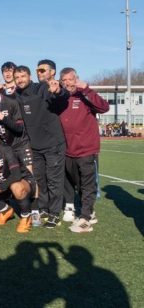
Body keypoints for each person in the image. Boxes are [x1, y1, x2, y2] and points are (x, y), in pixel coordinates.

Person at [14, 65, 67, 228]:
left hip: (53, 144)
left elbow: (60, 97)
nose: (20, 79)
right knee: (40, 180)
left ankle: (55, 213)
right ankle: (43, 208)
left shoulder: (42, 88)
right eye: (17, 77)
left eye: (23, 76)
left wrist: (58, 91)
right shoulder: (17, 94)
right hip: (35, 146)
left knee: (54, 181)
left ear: (29, 77)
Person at [57, 67, 109, 232]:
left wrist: (86, 89)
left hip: (86, 149)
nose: (67, 83)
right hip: (67, 150)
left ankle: (85, 219)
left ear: (76, 79)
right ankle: (89, 212)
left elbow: (104, 107)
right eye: (64, 80)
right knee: (77, 183)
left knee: (87, 184)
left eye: (70, 79)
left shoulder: (85, 95)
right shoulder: (59, 98)